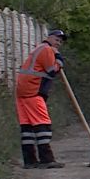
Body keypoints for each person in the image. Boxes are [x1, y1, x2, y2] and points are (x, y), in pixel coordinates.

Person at [15, 29, 68, 169]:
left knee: (28, 127)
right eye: (57, 40)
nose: (58, 43)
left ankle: (30, 160)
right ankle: (46, 159)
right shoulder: (46, 50)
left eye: (60, 42)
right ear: (49, 38)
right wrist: (59, 59)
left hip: (23, 92)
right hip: (33, 91)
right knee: (42, 124)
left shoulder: (39, 49)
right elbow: (52, 70)